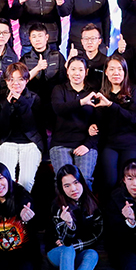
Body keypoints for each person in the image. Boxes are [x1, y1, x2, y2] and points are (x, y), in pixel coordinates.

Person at [46, 165, 103, 270]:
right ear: (61, 188)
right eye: (67, 185)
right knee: (68, 249)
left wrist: (75, 244)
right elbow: (64, 241)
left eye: (76, 183)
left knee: (93, 254)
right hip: (56, 254)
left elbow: (97, 235)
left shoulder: (92, 202)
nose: (73, 189)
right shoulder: (58, 206)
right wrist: (69, 225)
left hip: (77, 250)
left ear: (82, 182)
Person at [93, 54, 136, 191]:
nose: (116, 73)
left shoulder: (134, 90)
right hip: (110, 143)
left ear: (125, 72)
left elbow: (134, 118)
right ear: (106, 72)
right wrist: (93, 126)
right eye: (112, 69)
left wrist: (111, 105)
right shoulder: (101, 93)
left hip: (131, 142)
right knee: (109, 181)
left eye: (120, 69)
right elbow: (99, 120)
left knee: (126, 180)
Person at [0, 63, 45, 192]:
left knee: (26, 181)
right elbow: (1, 128)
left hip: (30, 143)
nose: (15, 83)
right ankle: (10, 204)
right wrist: (7, 105)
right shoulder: (1, 98)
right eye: (11, 79)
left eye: (20, 79)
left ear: (26, 80)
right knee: (6, 180)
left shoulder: (34, 98)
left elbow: (32, 126)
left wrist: (21, 102)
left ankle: (23, 204)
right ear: (6, 81)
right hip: (7, 143)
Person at [50, 56, 99, 186]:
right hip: (61, 143)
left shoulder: (93, 92)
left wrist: (87, 145)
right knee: (64, 180)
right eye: (73, 69)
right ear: (67, 71)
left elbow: (99, 123)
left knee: (84, 180)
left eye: (80, 70)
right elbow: (59, 109)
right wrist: (82, 102)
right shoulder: (59, 89)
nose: (77, 73)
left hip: (85, 144)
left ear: (86, 72)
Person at [20, 23, 66, 128]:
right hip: (33, 103)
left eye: (40, 36)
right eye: (34, 36)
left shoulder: (57, 56)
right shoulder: (25, 59)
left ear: (47, 37)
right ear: (30, 39)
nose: (37, 39)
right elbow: (21, 81)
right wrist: (37, 68)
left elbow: (64, 81)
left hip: (54, 102)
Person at [76, 23, 109, 88]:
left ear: (99, 41)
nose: (89, 42)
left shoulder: (106, 61)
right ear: (82, 41)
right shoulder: (77, 60)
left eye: (93, 38)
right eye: (86, 39)